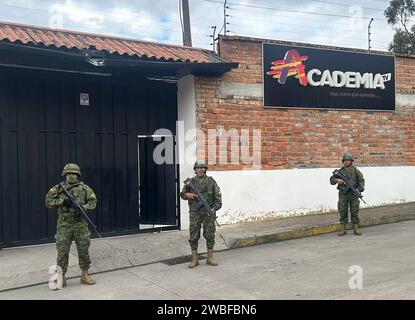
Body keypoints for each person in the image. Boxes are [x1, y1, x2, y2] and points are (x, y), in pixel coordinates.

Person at [45, 163, 97, 286]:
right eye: (69, 174)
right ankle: (61, 277)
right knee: (62, 251)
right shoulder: (58, 188)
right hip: (64, 224)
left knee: (83, 250)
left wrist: (83, 208)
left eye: (74, 174)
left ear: (78, 175)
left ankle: (85, 275)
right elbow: (48, 201)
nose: (71, 176)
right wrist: (63, 201)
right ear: (65, 175)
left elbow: (93, 201)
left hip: (80, 224)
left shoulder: (84, 188)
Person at [181, 160, 222, 268]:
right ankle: (195, 259)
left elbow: (218, 198)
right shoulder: (190, 182)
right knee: (193, 235)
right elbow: (182, 194)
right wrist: (187, 195)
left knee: (210, 235)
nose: (200, 169)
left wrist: (214, 209)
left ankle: (210, 258)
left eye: (203, 168)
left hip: (208, 213)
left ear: (205, 169)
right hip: (195, 213)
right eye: (198, 168)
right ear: (195, 170)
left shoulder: (211, 182)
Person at [330, 153, 365, 236]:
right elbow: (331, 179)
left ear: (351, 161)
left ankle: (355, 228)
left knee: (354, 211)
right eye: (345, 160)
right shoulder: (340, 171)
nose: (346, 162)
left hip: (353, 194)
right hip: (343, 194)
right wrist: (337, 180)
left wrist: (361, 188)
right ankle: (343, 229)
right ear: (343, 161)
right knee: (343, 210)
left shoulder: (355, 170)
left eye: (348, 160)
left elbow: (361, 179)